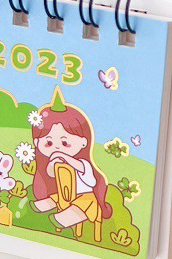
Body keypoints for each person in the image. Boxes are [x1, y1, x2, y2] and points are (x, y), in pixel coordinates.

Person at [29, 87, 111, 231]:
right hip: (66, 195)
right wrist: (53, 162)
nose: (57, 148)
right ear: (37, 142)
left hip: (85, 196)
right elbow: (50, 174)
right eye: (49, 143)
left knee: (83, 204)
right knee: (56, 197)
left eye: (65, 143)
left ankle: (65, 218)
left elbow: (91, 181)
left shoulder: (82, 163)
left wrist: (64, 157)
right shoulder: (57, 162)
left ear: (83, 142)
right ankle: (45, 206)